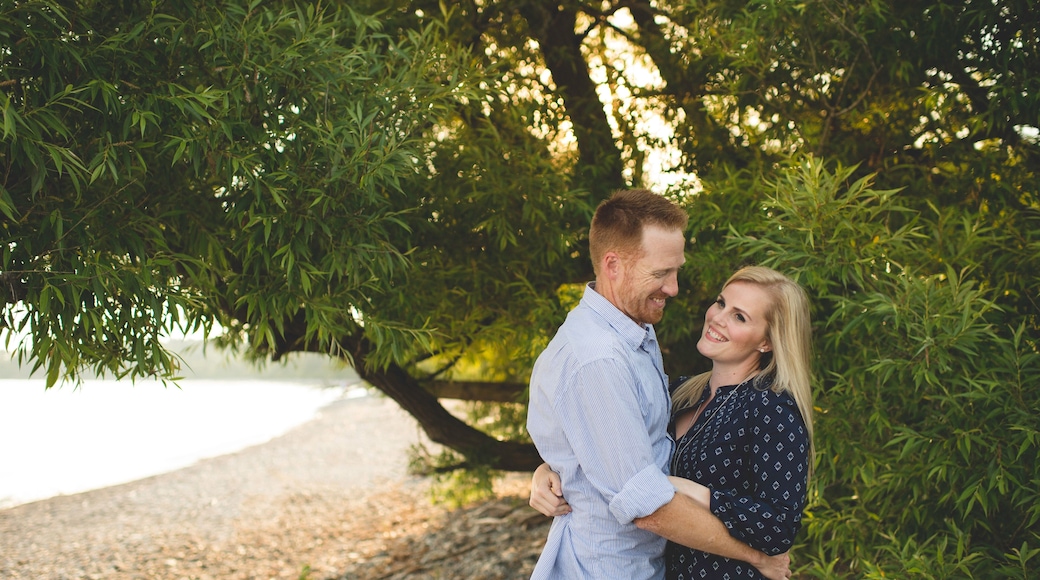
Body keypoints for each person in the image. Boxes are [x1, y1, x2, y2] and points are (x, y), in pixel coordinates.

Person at [525, 188, 791, 580]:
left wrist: (559, 465)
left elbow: (618, 442)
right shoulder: (598, 359)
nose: (674, 288)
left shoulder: (634, 333)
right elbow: (647, 507)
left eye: (676, 270)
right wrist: (755, 556)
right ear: (613, 265)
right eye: (661, 273)